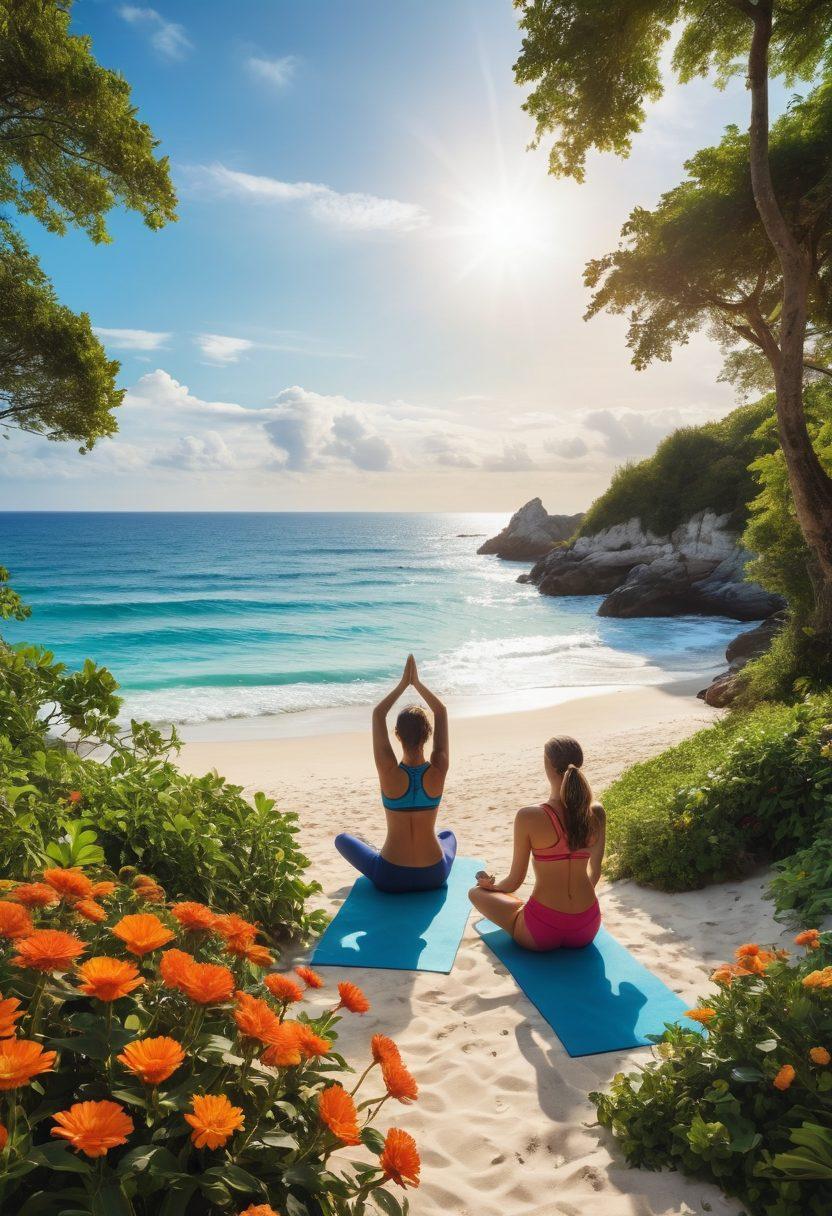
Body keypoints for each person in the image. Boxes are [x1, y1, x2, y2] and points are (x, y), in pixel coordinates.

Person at [468, 735, 605, 950]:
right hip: (586, 926)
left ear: (547, 766)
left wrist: (491, 887)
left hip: (542, 930)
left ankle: (520, 909)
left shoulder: (529, 816)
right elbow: (595, 872)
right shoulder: (595, 812)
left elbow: (514, 882)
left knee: (475, 893)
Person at [334, 655, 456, 893]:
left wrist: (402, 685)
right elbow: (440, 711)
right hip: (434, 874)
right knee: (448, 835)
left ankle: (376, 850)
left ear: (397, 735)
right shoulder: (439, 768)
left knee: (342, 839)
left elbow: (378, 713)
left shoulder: (387, 770)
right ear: (428, 734)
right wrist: (417, 684)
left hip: (390, 875)